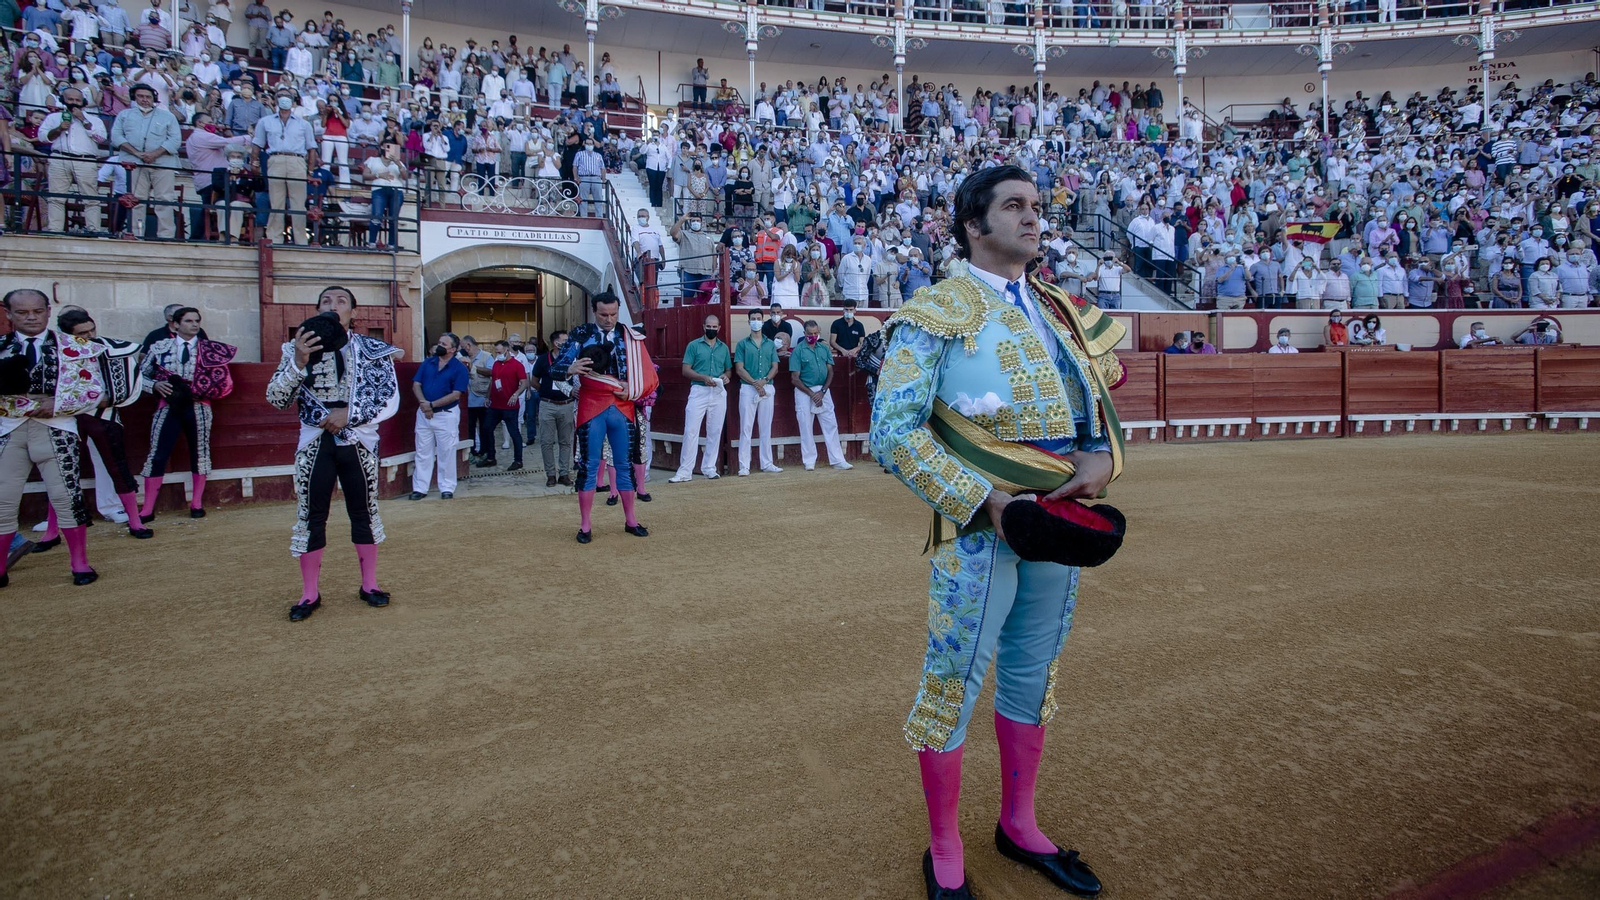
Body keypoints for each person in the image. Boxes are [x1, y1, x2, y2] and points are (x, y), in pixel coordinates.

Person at [869, 165, 1121, 900]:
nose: (1034, 218)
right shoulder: (935, 310)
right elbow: (893, 432)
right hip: (978, 525)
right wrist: (988, 502)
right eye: (1015, 206)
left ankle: (1019, 822)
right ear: (974, 225)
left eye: (1038, 207)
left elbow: (1091, 412)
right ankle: (944, 846)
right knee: (953, 680)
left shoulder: (1060, 311)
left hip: (1056, 519)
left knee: (1032, 669)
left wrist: (1100, 455)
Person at [265, 286, 403, 622]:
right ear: (316, 310)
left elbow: (389, 398)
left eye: (341, 301)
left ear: (353, 313)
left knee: (364, 512)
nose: (333, 305)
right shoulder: (296, 350)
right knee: (311, 515)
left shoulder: (374, 349)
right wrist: (298, 362)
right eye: (326, 301)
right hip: (315, 442)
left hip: (358, 439)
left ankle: (369, 584)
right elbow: (277, 398)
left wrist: (348, 416)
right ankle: (309, 593)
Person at [0, 289, 107, 588]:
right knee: (2, 500)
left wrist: (56, 404)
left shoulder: (77, 346)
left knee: (66, 497)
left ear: (48, 311)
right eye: (22, 312)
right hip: (9, 429)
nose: (30, 317)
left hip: (58, 428)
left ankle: (80, 563)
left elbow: (95, 391)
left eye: (36, 311)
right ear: (9, 314)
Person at [550, 292, 659, 543]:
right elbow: (554, 370)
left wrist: (632, 390)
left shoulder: (629, 335)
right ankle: (585, 525)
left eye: (613, 314)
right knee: (589, 465)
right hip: (591, 404)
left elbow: (648, 375)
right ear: (593, 312)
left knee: (624, 464)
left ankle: (631, 520)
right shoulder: (580, 334)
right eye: (603, 315)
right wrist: (569, 368)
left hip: (622, 404)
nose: (609, 319)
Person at [52, 307, 152, 540]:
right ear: (68, 335)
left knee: (117, 467)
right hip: (65, 417)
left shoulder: (108, 347)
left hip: (103, 413)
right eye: (83, 334)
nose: (90, 337)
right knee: (59, 471)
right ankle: (53, 526)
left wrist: (111, 399)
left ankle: (134, 521)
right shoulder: (54, 351)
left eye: (92, 330)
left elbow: (128, 378)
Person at [138, 307, 235, 521]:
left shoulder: (211, 349)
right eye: (189, 320)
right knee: (158, 454)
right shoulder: (159, 347)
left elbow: (225, 381)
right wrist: (154, 385)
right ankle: (147, 508)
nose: (195, 324)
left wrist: (208, 389)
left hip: (198, 406)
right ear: (175, 324)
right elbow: (139, 376)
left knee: (200, 453)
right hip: (168, 405)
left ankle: (196, 503)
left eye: (197, 320)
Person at [110, 83, 181, 239]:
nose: (144, 100)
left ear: (154, 98)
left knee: (164, 200)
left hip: (163, 164)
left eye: (148, 97)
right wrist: (136, 153)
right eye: (141, 96)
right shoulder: (124, 115)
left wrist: (155, 154)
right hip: (134, 164)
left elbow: (175, 140)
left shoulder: (167, 116)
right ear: (135, 98)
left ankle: (166, 236)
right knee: (136, 200)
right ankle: (137, 234)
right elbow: (116, 137)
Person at [669, 315, 731, 483]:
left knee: (715, 430)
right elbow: (685, 370)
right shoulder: (693, 345)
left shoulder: (723, 348)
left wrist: (726, 377)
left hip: (717, 390)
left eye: (714, 327)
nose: (711, 329)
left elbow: (728, 370)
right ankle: (685, 471)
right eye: (708, 326)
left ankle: (709, 467)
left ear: (719, 328)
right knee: (691, 430)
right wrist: (703, 377)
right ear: (704, 327)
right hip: (699, 389)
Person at [252, 89, 319, 243]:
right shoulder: (265, 121)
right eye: (281, 96)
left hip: (297, 160)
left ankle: (300, 240)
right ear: (275, 100)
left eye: (288, 96)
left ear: (293, 101)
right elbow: (257, 143)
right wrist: (254, 161)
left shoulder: (304, 123)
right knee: (276, 201)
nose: (284, 99)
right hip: (275, 158)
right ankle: (275, 238)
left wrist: (310, 170)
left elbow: (311, 148)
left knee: (298, 204)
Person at [409, 332, 468, 500]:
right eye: (439, 342)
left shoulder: (459, 368)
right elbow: (416, 385)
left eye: (444, 343)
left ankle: (447, 487)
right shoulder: (428, 362)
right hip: (424, 413)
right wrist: (423, 403)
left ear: (453, 349)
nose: (439, 345)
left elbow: (456, 394)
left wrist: (431, 405)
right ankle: (420, 488)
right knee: (422, 451)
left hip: (445, 414)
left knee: (447, 452)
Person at [42, 87, 107, 234]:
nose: (74, 102)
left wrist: (83, 120)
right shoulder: (53, 118)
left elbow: (101, 139)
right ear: (63, 100)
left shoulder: (94, 120)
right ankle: (55, 230)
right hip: (60, 157)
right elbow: (43, 137)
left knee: (90, 197)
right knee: (56, 197)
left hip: (86, 160)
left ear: (83, 102)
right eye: (70, 99)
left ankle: (93, 230)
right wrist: (59, 129)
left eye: (77, 100)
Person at [789, 320, 852, 472]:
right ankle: (809, 460)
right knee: (805, 425)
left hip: (823, 390)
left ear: (819, 332)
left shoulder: (824, 349)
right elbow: (795, 378)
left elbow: (830, 371)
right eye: (810, 334)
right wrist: (812, 394)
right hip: (805, 391)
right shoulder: (798, 351)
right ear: (804, 334)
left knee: (830, 424)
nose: (813, 336)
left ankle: (837, 459)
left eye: (815, 333)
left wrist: (822, 392)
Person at [734, 309, 782, 477]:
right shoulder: (742, 344)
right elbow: (739, 369)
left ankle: (767, 462)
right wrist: (756, 383)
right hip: (748, 388)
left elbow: (775, 367)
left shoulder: (770, 343)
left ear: (763, 321)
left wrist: (764, 381)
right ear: (749, 322)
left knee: (766, 427)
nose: (756, 321)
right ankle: (744, 465)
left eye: (758, 318)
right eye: (753, 319)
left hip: (766, 387)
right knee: (746, 427)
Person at [473, 340, 528, 472]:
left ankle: (518, 460)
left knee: (514, 433)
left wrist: (516, 394)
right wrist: (487, 396)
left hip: (510, 406)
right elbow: (493, 381)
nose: (497, 354)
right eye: (496, 352)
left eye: (499, 351)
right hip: (495, 405)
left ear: (507, 349)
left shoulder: (517, 365)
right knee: (486, 428)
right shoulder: (496, 364)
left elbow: (524, 382)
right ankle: (491, 457)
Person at [532, 330, 577, 488]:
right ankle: (550, 474)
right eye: (564, 340)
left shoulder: (572, 359)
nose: (567, 343)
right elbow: (534, 380)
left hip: (567, 404)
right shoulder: (543, 360)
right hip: (547, 404)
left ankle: (564, 473)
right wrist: (544, 391)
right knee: (546, 441)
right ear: (555, 343)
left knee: (565, 441)